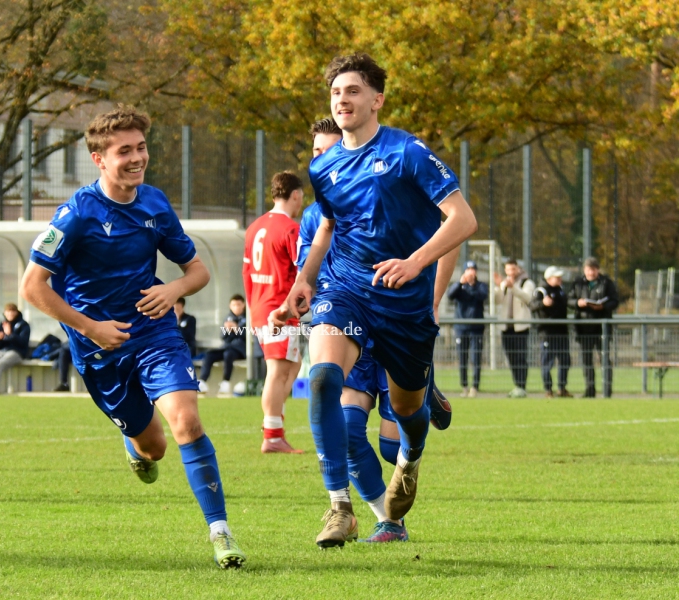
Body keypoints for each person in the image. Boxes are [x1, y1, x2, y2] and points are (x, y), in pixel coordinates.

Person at [20, 104, 246, 568]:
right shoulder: (76, 213)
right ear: (99, 159)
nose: (137, 158)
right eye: (125, 151)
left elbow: (197, 270)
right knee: (155, 447)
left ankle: (221, 534)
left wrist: (174, 289)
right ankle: (136, 446)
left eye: (141, 147)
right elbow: (31, 287)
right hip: (99, 349)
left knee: (186, 422)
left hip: (154, 332)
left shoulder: (155, 203)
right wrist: (91, 328)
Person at [273, 53, 477, 548]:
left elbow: (463, 219)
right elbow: (325, 228)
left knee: (407, 413)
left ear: (376, 100)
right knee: (321, 378)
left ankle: (410, 456)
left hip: (402, 302)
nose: (342, 99)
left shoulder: (408, 152)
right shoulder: (323, 167)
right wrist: (304, 281)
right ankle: (339, 506)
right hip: (345, 292)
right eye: (336, 92)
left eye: (353, 91)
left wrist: (415, 263)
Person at [298, 117, 457, 543]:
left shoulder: (399, 167)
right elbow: (316, 250)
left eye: (327, 149)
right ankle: (360, 512)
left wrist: (432, 296)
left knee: (393, 442)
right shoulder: (316, 212)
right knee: (330, 394)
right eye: (316, 152)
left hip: (400, 310)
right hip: (346, 309)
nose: (323, 159)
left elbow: (455, 228)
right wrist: (302, 284)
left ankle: (418, 419)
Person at [243, 171, 304, 454]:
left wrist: (253, 307)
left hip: (259, 307)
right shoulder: (290, 228)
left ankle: (274, 419)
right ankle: (273, 435)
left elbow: (246, 272)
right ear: (295, 195)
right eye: (301, 195)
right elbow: (302, 271)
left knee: (291, 365)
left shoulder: (254, 227)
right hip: (279, 309)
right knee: (278, 372)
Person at [568, 257, 619, 398]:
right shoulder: (578, 283)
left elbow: (615, 301)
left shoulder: (606, 283)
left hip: (602, 327)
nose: (591, 272)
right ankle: (590, 390)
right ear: (585, 270)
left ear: (598, 270)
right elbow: (569, 300)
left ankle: (607, 390)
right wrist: (578, 303)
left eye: (594, 269)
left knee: (604, 358)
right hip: (584, 327)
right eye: (589, 269)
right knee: (586, 360)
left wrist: (603, 306)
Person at [494, 259, 535, 397]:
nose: (511, 272)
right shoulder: (504, 283)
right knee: (511, 357)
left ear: (518, 269)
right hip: (506, 326)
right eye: (508, 269)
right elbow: (497, 300)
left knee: (520, 357)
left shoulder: (526, 282)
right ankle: (517, 385)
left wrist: (513, 288)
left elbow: (528, 298)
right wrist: (498, 286)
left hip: (520, 326)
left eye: (513, 269)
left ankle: (522, 386)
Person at [447, 260, 488, 398]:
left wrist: (472, 285)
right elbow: (450, 295)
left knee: (476, 358)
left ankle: (475, 386)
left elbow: (483, 296)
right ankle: (464, 386)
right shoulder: (459, 286)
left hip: (476, 328)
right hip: (461, 328)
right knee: (462, 358)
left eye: (473, 269)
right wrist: (460, 283)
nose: (471, 272)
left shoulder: (481, 286)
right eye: (468, 269)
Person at [530, 266, 572, 398]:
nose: (560, 279)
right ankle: (548, 389)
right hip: (547, 333)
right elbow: (532, 305)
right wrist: (542, 303)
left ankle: (562, 388)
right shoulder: (541, 291)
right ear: (549, 278)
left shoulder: (561, 291)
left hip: (562, 332)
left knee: (565, 361)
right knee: (547, 362)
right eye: (557, 277)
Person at [197, 295, 247, 397]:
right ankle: (202, 381)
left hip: (241, 349)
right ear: (230, 306)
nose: (236, 307)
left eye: (238, 304)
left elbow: (249, 336)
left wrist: (237, 329)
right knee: (209, 354)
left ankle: (226, 382)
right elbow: (222, 337)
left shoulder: (248, 318)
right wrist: (227, 330)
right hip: (227, 347)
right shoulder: (228, 318)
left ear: (244, 305)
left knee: (228, 354)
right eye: (234, 305)